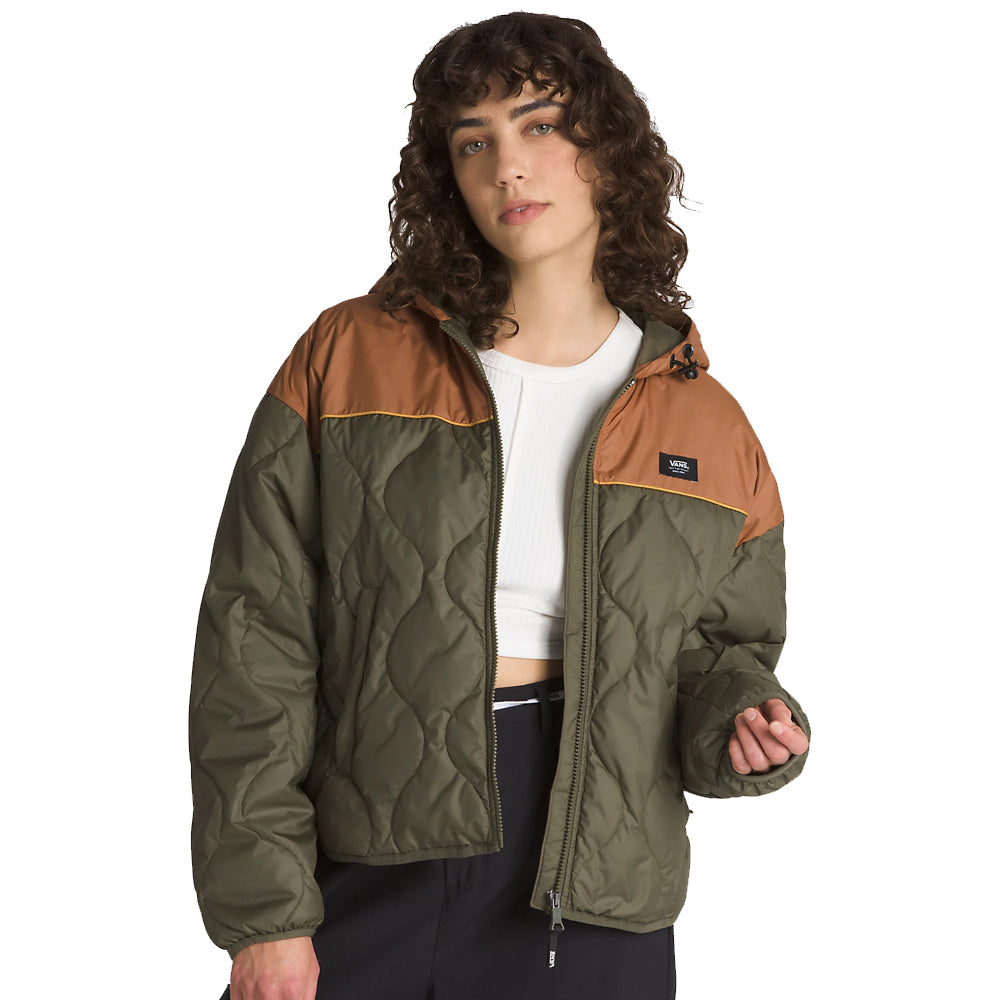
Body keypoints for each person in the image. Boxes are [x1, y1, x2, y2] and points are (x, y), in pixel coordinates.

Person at [189, 12, 811, 1000]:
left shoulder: (707, 422)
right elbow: (254, 640)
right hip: (374, 843)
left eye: (540, 125)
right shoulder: (349, 356)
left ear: (609, 147)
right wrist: (266, 914)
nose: (506, 166)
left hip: (593, 874)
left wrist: (742, 719)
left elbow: (710, 655)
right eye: (471, 142)